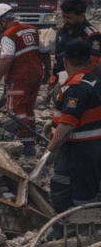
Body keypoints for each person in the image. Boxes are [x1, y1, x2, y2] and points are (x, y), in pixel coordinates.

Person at [44, 39, 101, 214]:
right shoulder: (93, 81)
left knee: (78, 191)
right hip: (87, 147)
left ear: (65, 61)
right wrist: (52, 125)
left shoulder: (75, 86)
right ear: (89, 61)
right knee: (65, 183)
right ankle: (65, 223)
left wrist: (49, 152)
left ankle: (81, 230)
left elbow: (68, 125)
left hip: (79, 150)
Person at [0, 2, 49, 156]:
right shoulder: (33, 29)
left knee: (16, 111)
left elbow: (7, 59)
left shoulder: (8, 35)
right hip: (36, 76)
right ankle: (30, 141)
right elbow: (45, 52)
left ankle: (24, 145)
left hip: (19, 78)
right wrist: (48, 73)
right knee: (28, 109)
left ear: (3, 20)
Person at [48, 0, 101, 95]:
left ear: (81, 16)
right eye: (64, 16)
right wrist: (53, 79)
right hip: (61, 78)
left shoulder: (92, 35)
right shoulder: (62, 31)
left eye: (69, 17)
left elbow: (93, 63)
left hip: (81, 82)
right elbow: (58, 56)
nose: (65, 20)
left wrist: (71, 81)